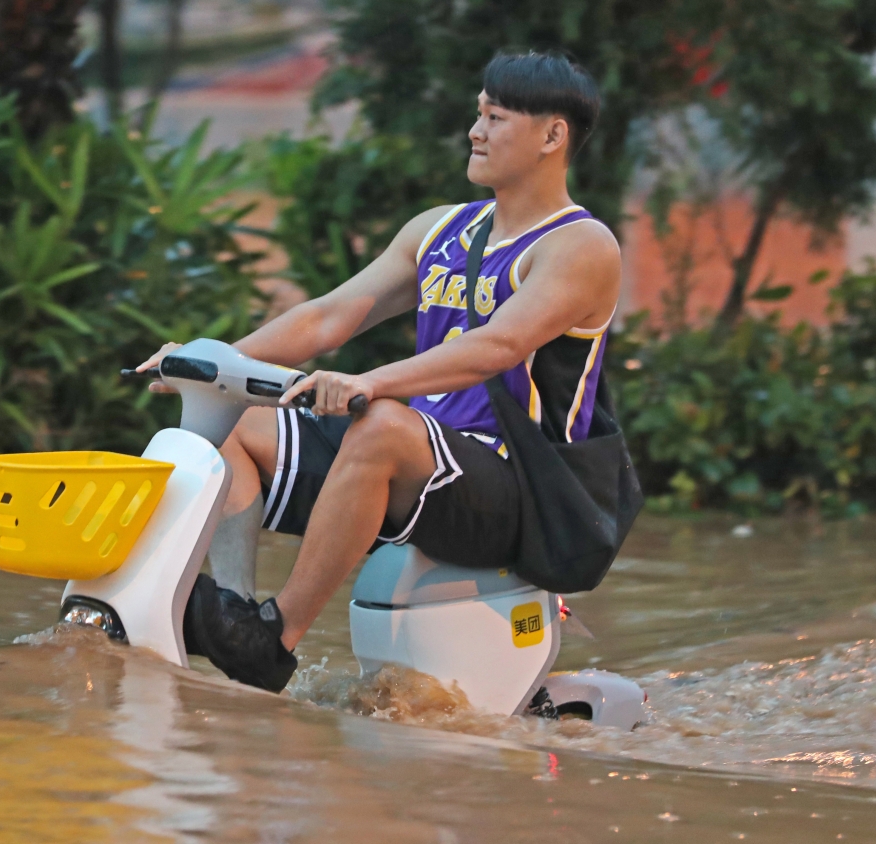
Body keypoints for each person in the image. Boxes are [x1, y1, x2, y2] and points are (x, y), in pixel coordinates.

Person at [137, 52, 622, 692]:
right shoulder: (439, 229)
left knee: (383, 427)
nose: (475, 131)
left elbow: (498, 346)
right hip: (423, 460)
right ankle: (237, 612)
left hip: (519, 486)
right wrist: (212, 365)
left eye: (496, 118)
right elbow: (327, 318)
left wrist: (371, 383)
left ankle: (274, 640)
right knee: (239, 423)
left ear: (552, 136)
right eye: (478, 114)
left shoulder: (580, 245)